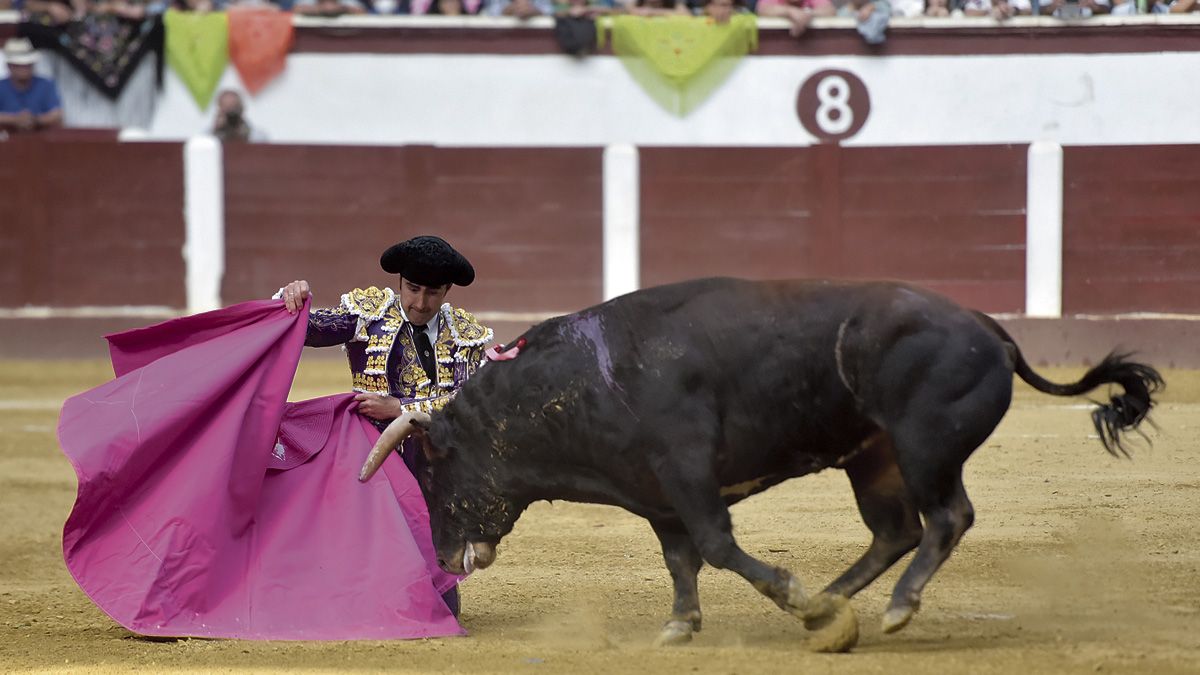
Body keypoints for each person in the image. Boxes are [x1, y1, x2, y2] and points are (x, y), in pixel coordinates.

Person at [278, 235, 494, 617]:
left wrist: (402, 407)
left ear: (447, 291)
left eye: (433, 292)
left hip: (436, 471)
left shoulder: (465, 334)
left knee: (440, 605)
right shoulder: (369, 316)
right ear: (400, 283)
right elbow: (305, 329)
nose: (421, 303)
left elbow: (470, 403)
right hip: (371, 463)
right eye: (413, 289)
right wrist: (289, 298)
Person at [0, 37, 63, 134]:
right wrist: (14, 119)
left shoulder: (45, 84)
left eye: (28, 64)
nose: (24, 69)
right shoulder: (1, 86)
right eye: (19, 65)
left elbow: (56, 114)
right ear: (9, 66)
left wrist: (35, 120)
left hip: (40, 140)